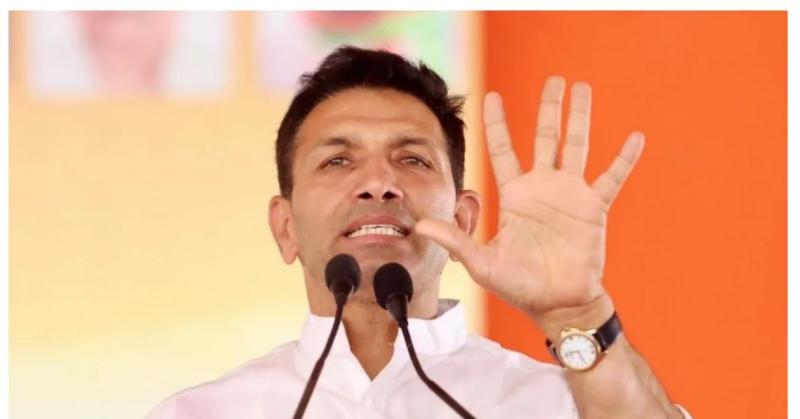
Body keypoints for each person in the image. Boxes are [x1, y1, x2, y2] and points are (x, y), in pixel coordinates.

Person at [146, 46, 691, 418]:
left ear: (463, 219)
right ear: (284, 227)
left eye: (412, 159)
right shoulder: (199, 413)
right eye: (337, 161)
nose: (378, 184)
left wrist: (577, 314)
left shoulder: (564, 405)